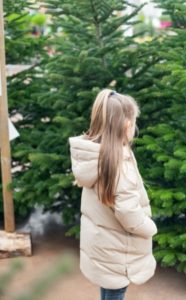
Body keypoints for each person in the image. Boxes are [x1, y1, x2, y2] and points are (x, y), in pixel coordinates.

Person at [68, 89, 158, 300]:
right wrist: (150, 227)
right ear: (127, 125)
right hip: (118, 250)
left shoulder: (95, 155)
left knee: (109, 286)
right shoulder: (118, 164)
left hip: (103, 247)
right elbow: (129, 214)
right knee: (116, 290)